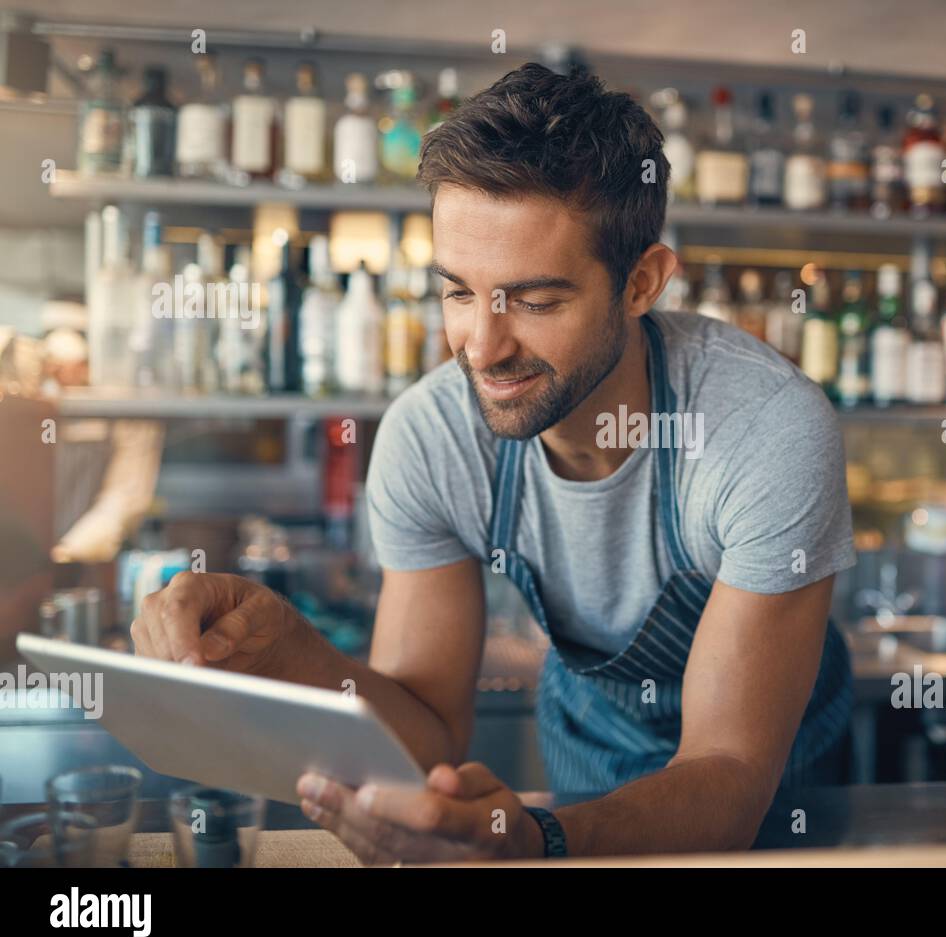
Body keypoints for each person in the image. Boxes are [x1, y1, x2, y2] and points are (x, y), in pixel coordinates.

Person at [131, 62, 857, 862]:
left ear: (642, 282)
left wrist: (536, 842)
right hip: (582, 775)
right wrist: (285, 650)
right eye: (457, 292)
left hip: (781, 806)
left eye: (536, 300)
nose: (482, 347)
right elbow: (427, 730)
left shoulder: (764, 429)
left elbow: (727, 774)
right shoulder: (432, 436)